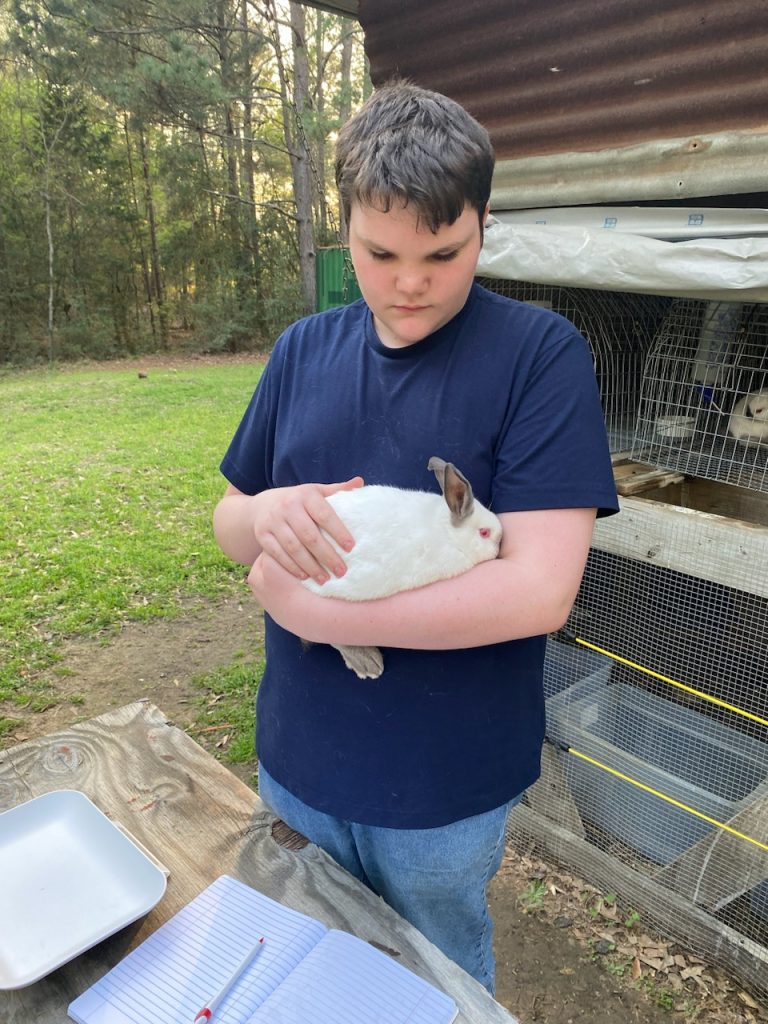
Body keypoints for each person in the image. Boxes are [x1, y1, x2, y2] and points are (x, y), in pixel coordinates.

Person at [213, 80, 618, 994]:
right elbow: (231, 520)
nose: (409, 282)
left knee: (432, 970)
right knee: (308, 958)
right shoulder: (301, 352)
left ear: (483, 223)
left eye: (445, 252)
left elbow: (538, 590)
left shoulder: (539, 357)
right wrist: (264, 517)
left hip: (446, 781)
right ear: (342, 227)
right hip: (300, 754)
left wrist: (316, 608)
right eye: (379, 252)